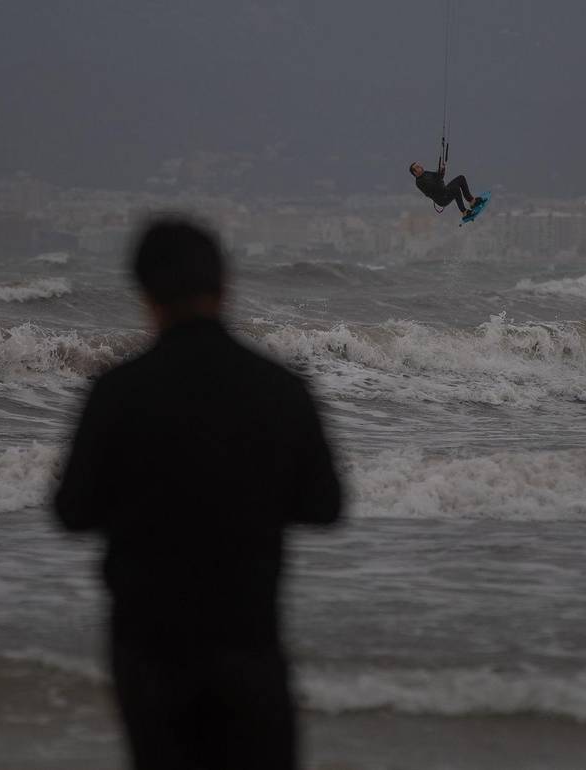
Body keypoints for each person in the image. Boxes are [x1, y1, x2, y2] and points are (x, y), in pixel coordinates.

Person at [52, 216, 344, 770]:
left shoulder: (118, 392)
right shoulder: (279, 389)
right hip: (248, 637)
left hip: (148, 647)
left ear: (144, 293)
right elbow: (325, 506)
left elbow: (72, 511)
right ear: (224, 285)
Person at [410, 158, 482, 219]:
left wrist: (442, 170)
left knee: (461, 178)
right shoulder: (419, 182)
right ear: (415, 173)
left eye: (419, 165)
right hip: (442, 198)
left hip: (445, 190)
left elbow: (439, 176)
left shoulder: (426, 173)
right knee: (456, 189)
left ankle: (471, 201)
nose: (420, 166)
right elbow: (433, 189)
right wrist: (438, 177)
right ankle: (464, 212)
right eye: (417, 167)